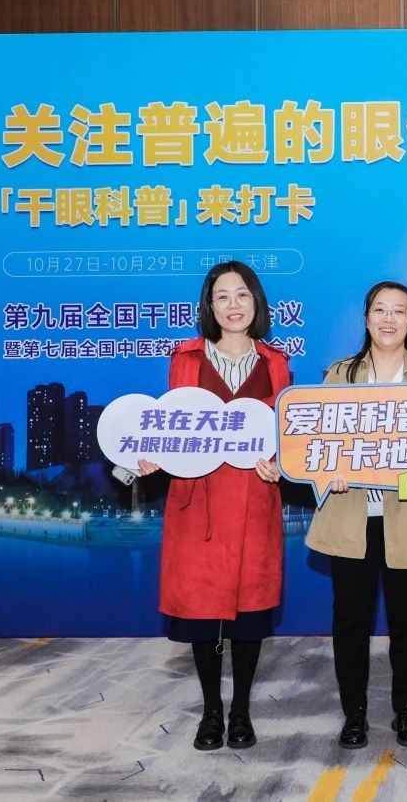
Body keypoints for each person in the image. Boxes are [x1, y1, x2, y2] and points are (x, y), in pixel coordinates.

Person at [136, 261, 291, 752]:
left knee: (249, 613)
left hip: (253, 499)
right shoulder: (185, 359)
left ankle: (241, 711)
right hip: (197, 499)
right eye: (221, 296)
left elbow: (284, 432)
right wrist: (152, 456)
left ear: (256, 302)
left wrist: (280, 465)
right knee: (202, 612)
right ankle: (211, 712)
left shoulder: (275, 362)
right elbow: (171, 426)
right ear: (208, 306)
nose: (232, 305)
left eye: (242, 294)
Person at [305, 281, 407, 749]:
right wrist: (329, 470)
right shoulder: (339, 375)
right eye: (380, 310)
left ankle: (406, 712)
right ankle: (354, 715)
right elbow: (316, 440)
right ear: (367, 318)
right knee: (350, 621)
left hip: (406, 518)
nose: (389, 319)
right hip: (351, 518)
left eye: (399, 311)